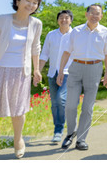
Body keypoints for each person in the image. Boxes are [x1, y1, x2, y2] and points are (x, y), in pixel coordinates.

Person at [0, 0, 43, 160]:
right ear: (18, 1)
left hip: (21, 73)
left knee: (18, 112)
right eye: (27, 0)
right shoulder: (2, 20)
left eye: (35, 2)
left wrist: (36, 69)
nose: (31, 5)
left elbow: (35, 48)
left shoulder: (36, 24)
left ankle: (18, 139)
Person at [57, 4, 107, 151]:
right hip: (75, 67)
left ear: (101, 16)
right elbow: (66, 52)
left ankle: (81, 139)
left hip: (95, 68)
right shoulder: (76, 31)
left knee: (88, 107)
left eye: (98, 14)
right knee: (70, 105)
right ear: (86, 14)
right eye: (92, 13)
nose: (95, 16)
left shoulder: (105, 32)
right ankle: (70, 134)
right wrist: (61, 71)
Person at [39, 10, 74, 143]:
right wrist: (37, 71)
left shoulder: (74, 35)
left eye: (66, 18)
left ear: (71, 20)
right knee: (54, 103)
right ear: (57, 20)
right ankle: (57, 130)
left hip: (68, 73)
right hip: (52, 73)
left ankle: (60, 128)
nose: (64, 20)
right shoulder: (51, 35)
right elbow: (44, 54)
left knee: (60, 98)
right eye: (61, 18)